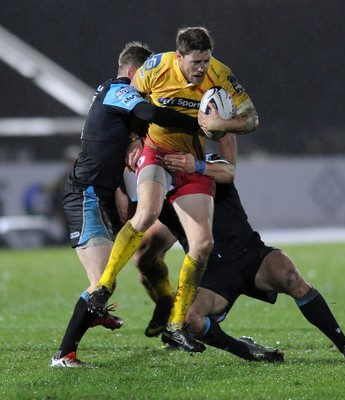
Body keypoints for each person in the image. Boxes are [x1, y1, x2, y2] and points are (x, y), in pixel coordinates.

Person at [87, 26, 258, 352]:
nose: (202, 69)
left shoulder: (220, 75)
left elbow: (251, 119)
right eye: (196, 62)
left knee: (203, 245)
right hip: (156, 151)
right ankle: (104, 285)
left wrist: (223, 125)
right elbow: (129, 107)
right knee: (147, 215)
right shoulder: (154, 69)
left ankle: (177, 323)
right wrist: (134, 143)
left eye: (206, 61)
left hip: (190, 162)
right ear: (178, 57)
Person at [132, 134, 345, 363]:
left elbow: (228, 172)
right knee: (188, 320)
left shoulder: (207, 163)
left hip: (249, 254)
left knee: (291, 277)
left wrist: (195, 165)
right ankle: (247, 351)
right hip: (211, 273)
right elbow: (138, 227)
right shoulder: (156, 188)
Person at [50, 41, 201, 368]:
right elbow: (148, 113)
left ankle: (166, 312)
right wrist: (196, 120)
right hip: (86, 195)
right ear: (134, 72)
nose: (151, 85)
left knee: (144, 248)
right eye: (148, 77)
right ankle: (64, 355)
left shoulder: (114, 99)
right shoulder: (118, 88)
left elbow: (118, 143)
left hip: (103, 193)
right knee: (102, 281)